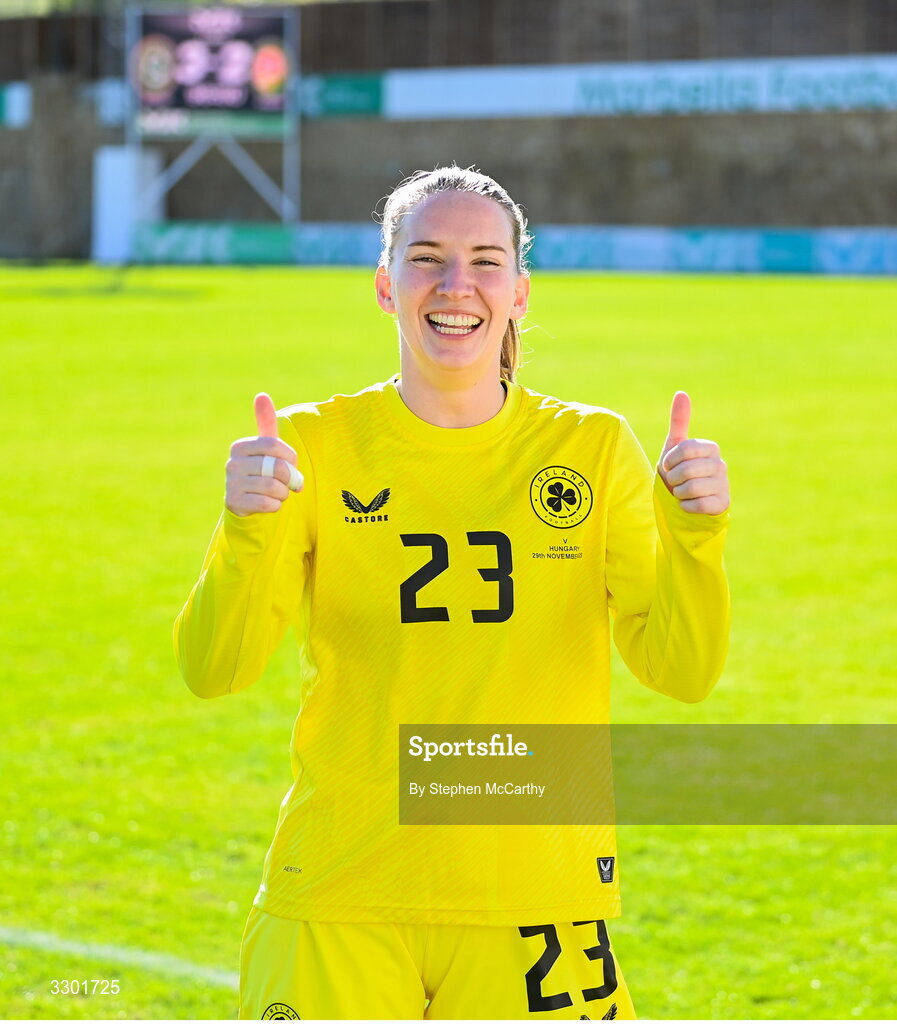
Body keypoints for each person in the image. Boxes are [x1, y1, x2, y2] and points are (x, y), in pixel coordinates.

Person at [173, 165, 730, 1020]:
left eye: (484, 261)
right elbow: (215, 668)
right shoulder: (312, 447)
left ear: (520, 291)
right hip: (342, 888)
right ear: (384, 286)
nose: (454, 285)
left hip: (533, 898)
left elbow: (680, 670)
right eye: (426, 258)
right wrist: (247, 526)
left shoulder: (591, 447)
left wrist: (696, 536)